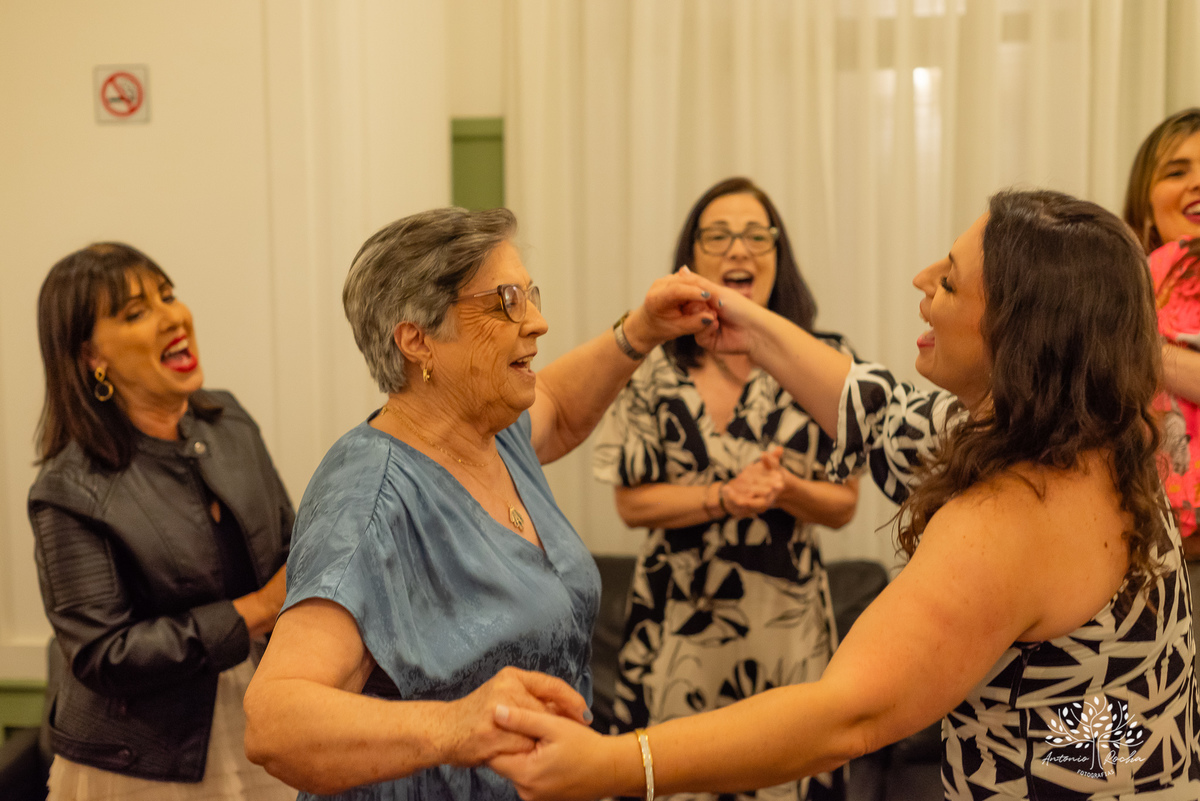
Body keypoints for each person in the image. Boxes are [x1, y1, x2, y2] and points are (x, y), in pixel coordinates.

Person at [489, 189, 1200, 800]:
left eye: (949, 283)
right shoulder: (1098, 435)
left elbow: (846, 715)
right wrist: (749, 323)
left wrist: (611, 761)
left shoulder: (1014, 514)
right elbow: (882, 410)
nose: (921, 280)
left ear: (1020, 335)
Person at [241, 207, 719, 800]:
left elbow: (565, 408)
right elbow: (273, 722)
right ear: (417, 339)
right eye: (507, 301)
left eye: (530, 294)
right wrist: (457, 725)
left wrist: (640, 330)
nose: (539, 322)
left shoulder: (491, 427)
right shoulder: (367, 497)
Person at [591, 177, 857, 801]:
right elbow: (631, 504)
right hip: (676, 625)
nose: (739, 250)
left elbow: (843, 505)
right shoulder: (651, 365)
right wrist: (723, 497)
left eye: (756, 236)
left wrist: (787, 488)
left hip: (789, 633)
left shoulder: (823, 360)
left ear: (777, 254)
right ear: (692, 258)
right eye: (718, 235)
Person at [29, 243, 295, 800]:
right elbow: (103, 654)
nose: (172, 316)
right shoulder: (67, 489)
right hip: (141, 760)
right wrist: (259, 610)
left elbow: (288, 548)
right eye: (135, 312)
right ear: (89, 357)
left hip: (263, 712)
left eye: (167, 295)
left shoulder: (229, 421)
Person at [1124, 108, 1200, 681]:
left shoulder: (1124, 320)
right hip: (1138, 550)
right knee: (1124, 741)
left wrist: (1133, 344)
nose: (1196, 181)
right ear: (1145, 201)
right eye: (1177, 170)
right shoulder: (1125, 282)